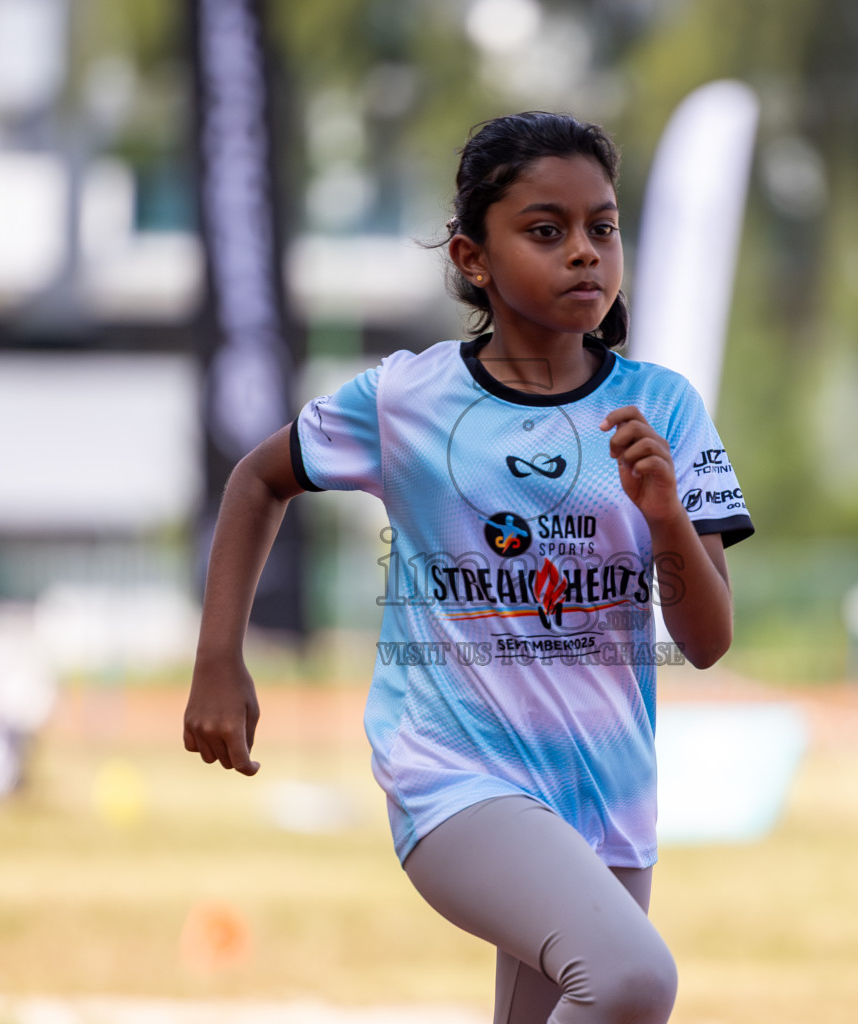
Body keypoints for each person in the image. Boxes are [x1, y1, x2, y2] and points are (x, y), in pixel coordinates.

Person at [184, 111, 753, 1024]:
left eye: (602, 228)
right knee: (632, 981)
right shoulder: (409, 398)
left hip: (609, 797)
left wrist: (666, 517)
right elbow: (258, 481)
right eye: (546, 230)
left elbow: (709, 640)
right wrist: (220, 659)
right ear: (473, 258)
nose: (584, 254)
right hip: (455, 777)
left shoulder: (664, 407)